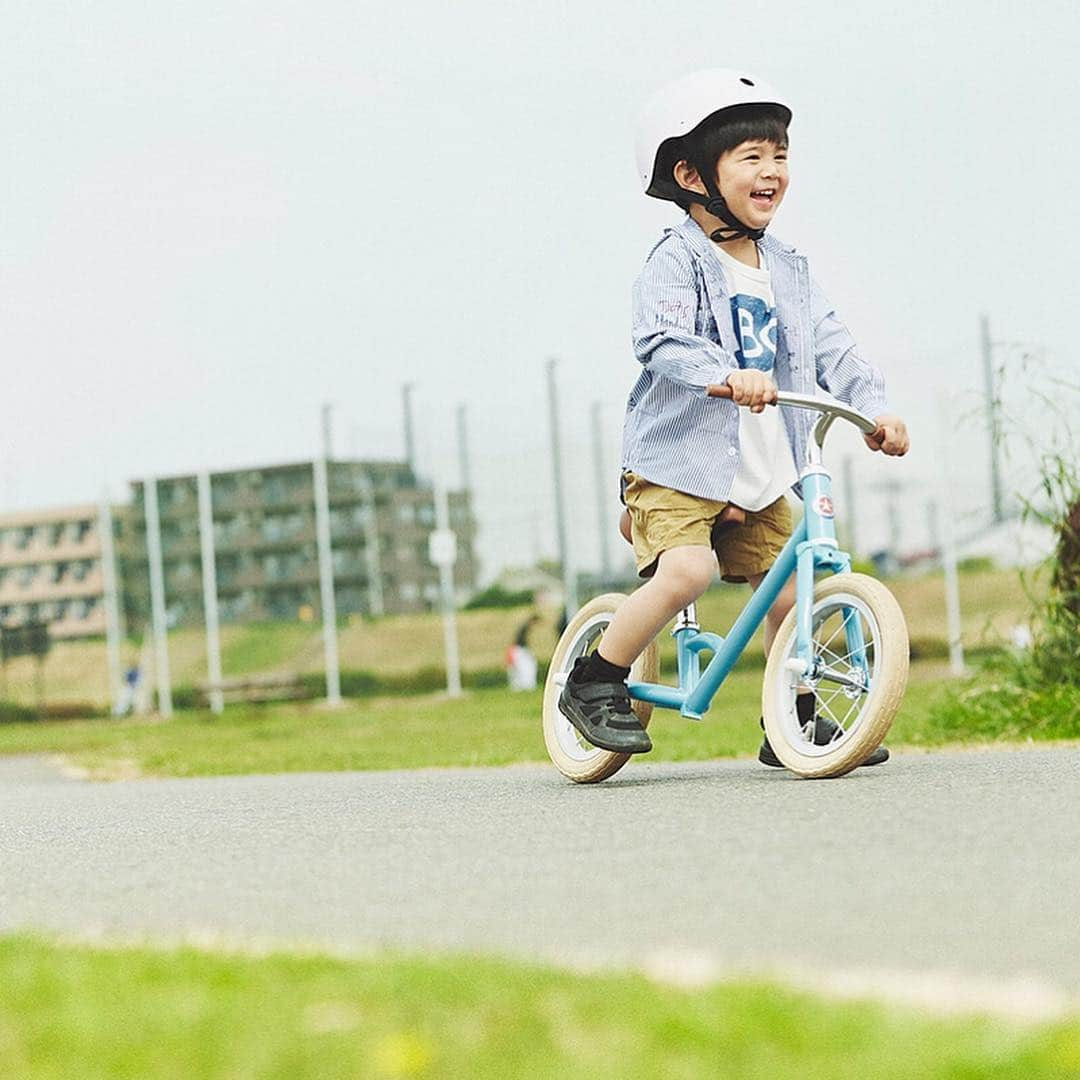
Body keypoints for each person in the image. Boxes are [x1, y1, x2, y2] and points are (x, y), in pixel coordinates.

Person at [559, 69, 909, 765]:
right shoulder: (676, 259)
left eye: (779, 156)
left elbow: (832, 342)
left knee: (790, 584)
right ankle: (595, 679)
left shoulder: (788, 269)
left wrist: (874, 409)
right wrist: (723, 374)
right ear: (691, 174)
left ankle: (796, 719)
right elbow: (658, 339)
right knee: (685, 573)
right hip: (679, 463)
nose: (772, 171)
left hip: (759, 465)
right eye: (750, 157)